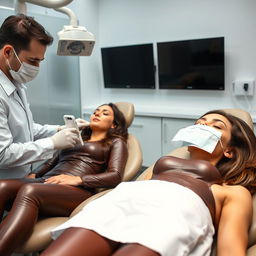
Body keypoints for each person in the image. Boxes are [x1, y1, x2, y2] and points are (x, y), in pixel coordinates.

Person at [40, 110, 256, 256]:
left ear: (229, 150)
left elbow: (231, 251)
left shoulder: (232, 191)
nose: (203, 126)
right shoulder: (159, 167)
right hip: (117, 206)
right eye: (199, 123)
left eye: (215, 126)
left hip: (169, 219)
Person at [0, 103, 128, 256]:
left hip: (77, 190)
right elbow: (51, 163)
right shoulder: (76, 138)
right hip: (48, 183)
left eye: (105, 113)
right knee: (3, 186)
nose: (97, 114)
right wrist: (34, 174)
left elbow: (116, 175)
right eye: (96, 111)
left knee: (30, 190)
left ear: (113, 124)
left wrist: (79, 180)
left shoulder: (116, 142)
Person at [0, 14, 83, 179]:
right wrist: (52, 143)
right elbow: (2, 154)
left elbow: (26, 129)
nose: (37, 67)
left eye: (40, 61)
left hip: (21, 181)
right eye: (32, 60)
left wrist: (59, 129)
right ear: (8, 52)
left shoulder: (16, 84)